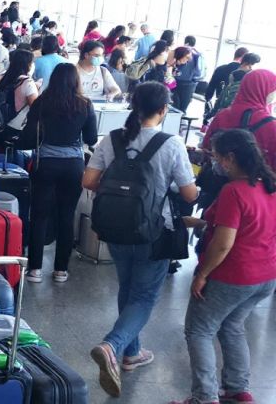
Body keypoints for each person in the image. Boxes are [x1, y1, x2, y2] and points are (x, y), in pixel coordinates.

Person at [83, 82, 198, 398]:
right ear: (163, 110)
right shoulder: (171, 143)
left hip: (115, 228)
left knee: (128, 289)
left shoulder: (113, 138)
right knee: (145, 296)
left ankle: (132, 354)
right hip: (153, 233)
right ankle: (113, 345)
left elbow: (89, 180)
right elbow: (189, 193)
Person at [168, 129, 276, 404]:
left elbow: (224, 243)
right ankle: (238, 388)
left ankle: (204, 397)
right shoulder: (269, 185)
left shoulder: (233, 191)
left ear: (230, 158)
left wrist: (202, 274)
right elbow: (252, 226)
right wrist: (203, 223)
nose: (213, 163)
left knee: (199, 330)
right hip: (265, 275)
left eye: (215, 157)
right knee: (232, 325)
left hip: (233, 274)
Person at [21, 63, 97, 283]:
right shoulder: (85, 104)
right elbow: (91, 138)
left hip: (46, 163)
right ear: (76, 81)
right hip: (74, 165)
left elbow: (28, 134)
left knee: (39, 215)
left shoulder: (42, 102)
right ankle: (60, 270)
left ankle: (34, 269)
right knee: (66, 216)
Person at [201, 69, 276, 172]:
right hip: (254, 184)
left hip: (218, 180)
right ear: (263, 90)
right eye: (273, 90)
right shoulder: (270, 125)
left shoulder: (223, 114)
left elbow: (206, 147)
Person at [173, 38, 202, 113]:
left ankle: (175, 122)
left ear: (186, 43)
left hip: (176, 82)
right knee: (182, 108)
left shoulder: (182, 51)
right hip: (190, 83)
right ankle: (179, 122)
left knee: (175, 106)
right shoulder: (198, 54)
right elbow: (199, 72)